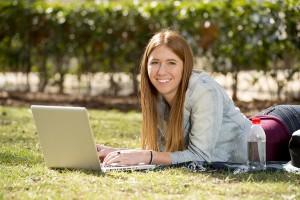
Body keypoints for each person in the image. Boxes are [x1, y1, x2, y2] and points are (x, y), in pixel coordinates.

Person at [97, 29, 300, 167]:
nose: (161, 71)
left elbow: (200, 158)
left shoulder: (203, 91)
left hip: (282, 130)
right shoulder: (157, 95)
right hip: (262, 121)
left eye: (171, 63)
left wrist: (144, 156)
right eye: (155, 62)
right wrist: (118, 153)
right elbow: (163, 153)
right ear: (146, 66)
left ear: (186, 66)